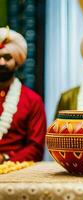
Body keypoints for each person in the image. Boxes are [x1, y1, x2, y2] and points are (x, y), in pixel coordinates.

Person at [0, 27, 46, 164]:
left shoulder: (32, 100)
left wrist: (5, 159)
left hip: (16, 169)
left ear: (17, 62)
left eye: (7, 57)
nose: (1, 63)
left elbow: (36, 147)